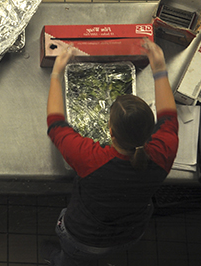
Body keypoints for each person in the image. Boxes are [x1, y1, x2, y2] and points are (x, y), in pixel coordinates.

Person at [44, 39, 178, 265]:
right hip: (128, 235)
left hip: (83, 238)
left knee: (69, 259)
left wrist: (56, 74)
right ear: (151, 130)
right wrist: (160, 70)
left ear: (111, 133)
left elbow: (55, 123)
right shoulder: (163, 152)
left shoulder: (91, 159)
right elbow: (170, 117)